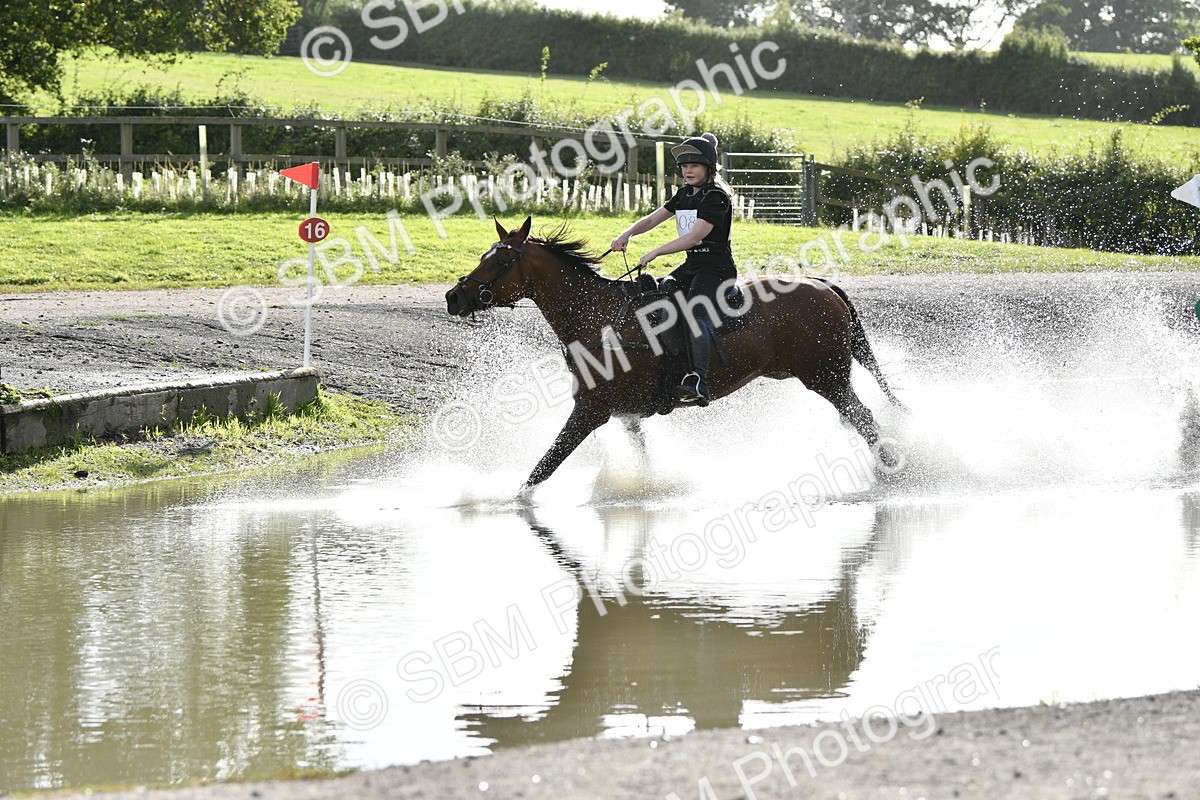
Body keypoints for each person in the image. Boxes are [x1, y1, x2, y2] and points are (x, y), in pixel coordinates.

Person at [610, 131, 736, 407]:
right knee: (659, 293)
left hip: (716, 271)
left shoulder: (716, 197)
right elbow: (653, 219)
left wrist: (656, 251)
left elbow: (695, 237)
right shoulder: (684, 195)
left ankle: (699, 380)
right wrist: (627, 234)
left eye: (694, 166)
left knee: (695, 313)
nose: (688, 171)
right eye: (684, 166)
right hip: (692, 267)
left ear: (709, 168)